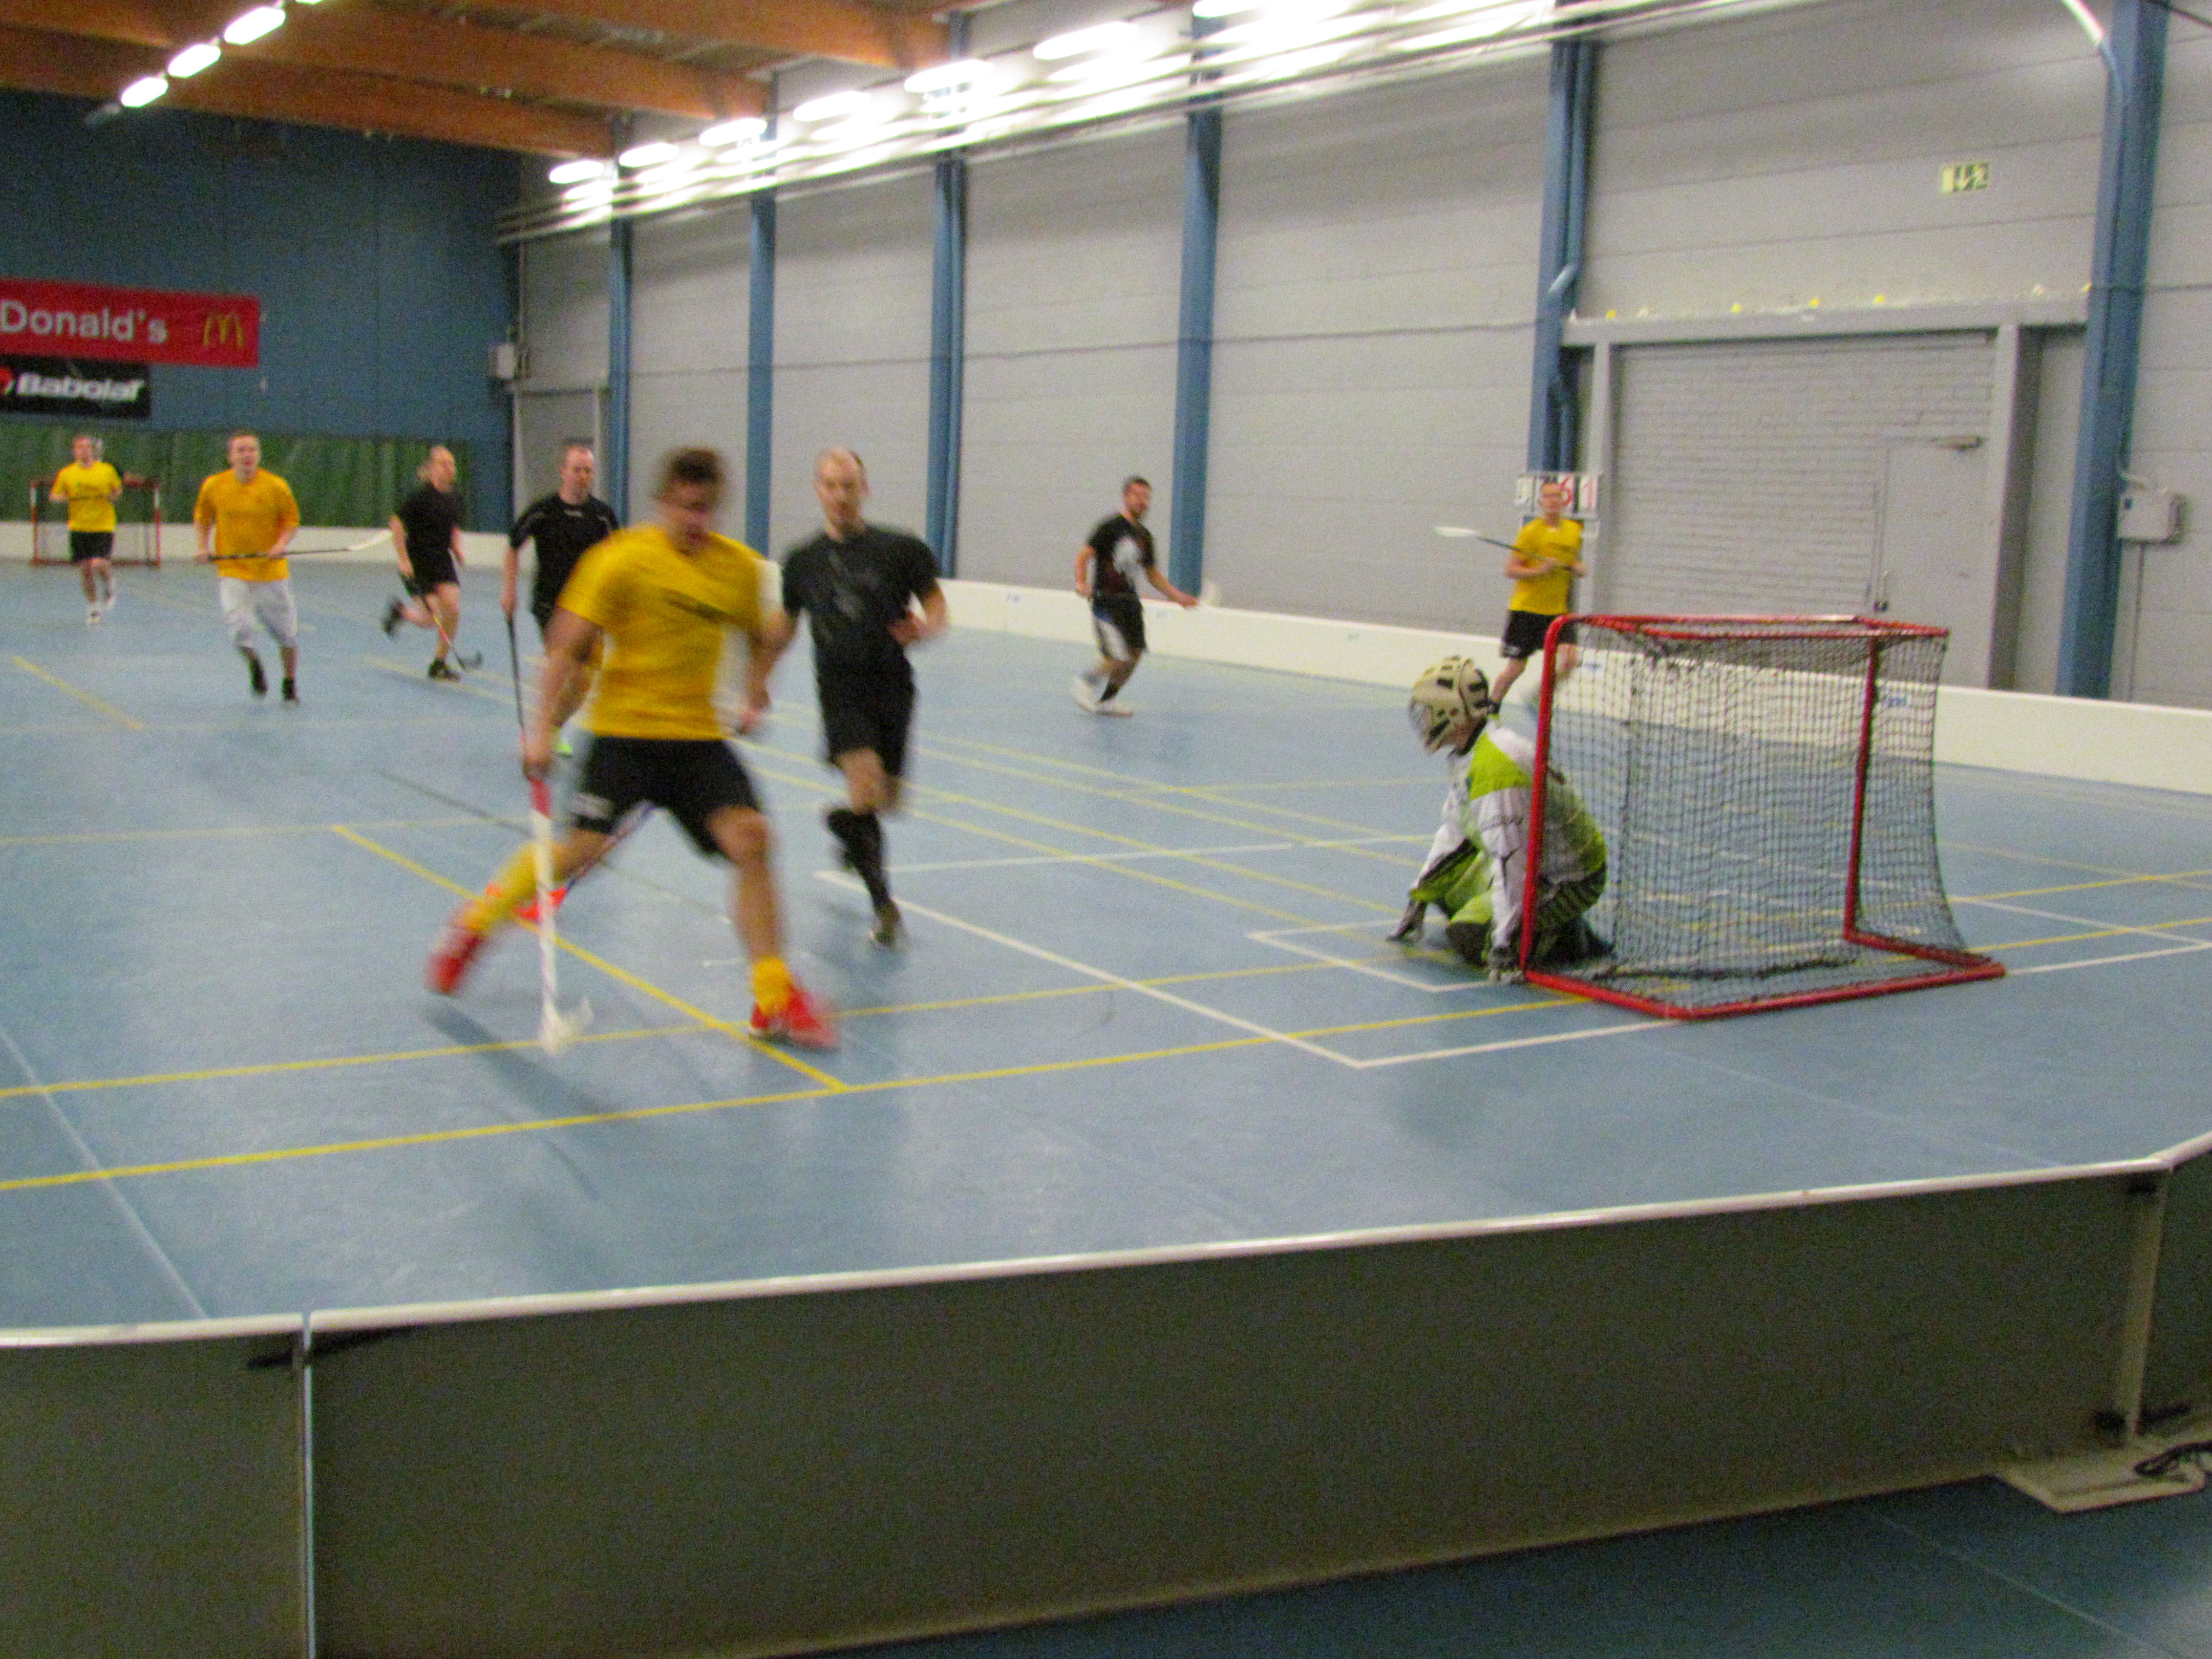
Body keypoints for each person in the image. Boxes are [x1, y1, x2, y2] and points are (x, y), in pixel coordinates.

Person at [426, 446, 834, 1049]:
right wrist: (540, 730)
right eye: (686, 507)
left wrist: (755, 689)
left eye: (706, 509)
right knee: (577, 853)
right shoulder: (620, 559)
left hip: (697, 744)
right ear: (664, 502)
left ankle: (773, 996)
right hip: (625, 737)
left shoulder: (737, 569)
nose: (695, 520)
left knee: (753, 839)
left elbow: (763, 634)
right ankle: (474, 925)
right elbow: (566, 645)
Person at [772, 448, 947, 948]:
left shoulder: (901, 549)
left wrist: (925, 628)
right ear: (818, 490)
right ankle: (884, 908)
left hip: (893, 688)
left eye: (848, 485)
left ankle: (845, 824)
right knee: (866, 787)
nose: (840, 496)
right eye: (830, 485)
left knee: (886, 803)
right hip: (840, 691)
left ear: (864, 489)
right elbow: (783, 626)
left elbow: (937, 607)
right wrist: (757, 681)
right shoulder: (803, 561)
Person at [1392, 655, 1607, 980]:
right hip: (1535, 863)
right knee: (1446, 892)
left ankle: (1565, 937)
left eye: (1428, 712)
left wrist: (1504, 943)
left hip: (1567, 879)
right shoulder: (1475, 748)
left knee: (1469, 937)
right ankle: (1535, 925)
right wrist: (1420, 896)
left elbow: (1511, 862)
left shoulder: (1497, 769)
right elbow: (1456, 831)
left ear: (1453, 714)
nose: (1422, 721)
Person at [504, 440, 622, 748]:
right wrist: (509, 592)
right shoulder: (543, 511)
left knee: (584, 682)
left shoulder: (603, 516)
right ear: (563, 472)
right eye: (577, 470)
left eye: (588, 471)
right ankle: (544, 733)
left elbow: (619, 557)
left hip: (589, 608)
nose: (583, 476)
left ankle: (554, 727)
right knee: (566, 669)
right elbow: (513, 547)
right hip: (551, 605)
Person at [193, 431, 302, 704]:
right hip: (233, 571)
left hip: (270, 573)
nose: (248, 455)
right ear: (230, 456)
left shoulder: (276, 486)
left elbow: (291, 522)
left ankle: (289, 682)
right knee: (239, 632)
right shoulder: (214, 485)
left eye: (252, 450)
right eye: (241, 450)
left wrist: (280, 545)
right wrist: (203, 547)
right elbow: (203, 518)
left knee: (287, 635)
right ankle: (255, 665)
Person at [1071, 475, 1195, 715]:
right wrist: (1081, 582)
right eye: (1137, 496)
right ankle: (1085, 683)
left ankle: (1107, 700)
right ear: (1126, 497)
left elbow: (1152, 575)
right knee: (1117, 656)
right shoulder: (1110, 527)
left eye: (1146, 497)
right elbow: (1084, 555)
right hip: (1106, 602)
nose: (1142, 501)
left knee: (1134, 654)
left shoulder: (1145, 537)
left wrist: (1178, 596)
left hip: (1130, 604)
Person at [1486, 477, 1586, 708]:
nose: (1553, 501)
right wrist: (1540, 570)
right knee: (1516, 668)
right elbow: (1511, 570)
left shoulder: (1574, 531)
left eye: (1557, 496)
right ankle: (1491, 709)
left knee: (1570, 660)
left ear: (1564, 500)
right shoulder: (1530, 532)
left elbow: (1574, 563)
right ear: (1541, 502)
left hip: (1557, 612)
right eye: (1548, 496)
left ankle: (1539, 696)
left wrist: (1578, 568)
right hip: (1527, 610)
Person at [382, 445, 469, 679]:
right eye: (443, 463)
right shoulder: (420, 497)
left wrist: (457, 548)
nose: (449, 468)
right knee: (431, 619)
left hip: (442, 560)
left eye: (452, 464)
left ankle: (439, 663)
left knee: (453, 610)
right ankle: (401, 611)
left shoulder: (456, 498)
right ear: (431, 469)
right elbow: (396, 524)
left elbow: (454, 526)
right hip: (419, 562)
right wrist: (403, 559)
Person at [51, 433, 122, 624]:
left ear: (93, 450)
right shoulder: (67, 474)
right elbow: (55, 495)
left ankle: (109, 585)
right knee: (85, 570)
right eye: (79, 448)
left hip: (103, 525)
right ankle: (93, 607)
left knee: (99, 564)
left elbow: (117, 491)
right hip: (79, 526)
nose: (84, 451)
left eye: (87, 447)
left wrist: (111, 497)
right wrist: (67, 498)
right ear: (74, 451)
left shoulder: (106, 470)